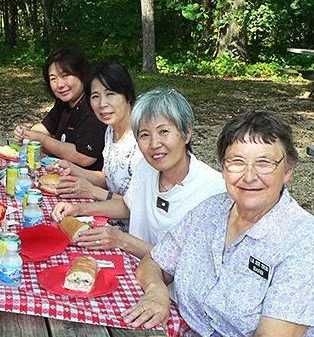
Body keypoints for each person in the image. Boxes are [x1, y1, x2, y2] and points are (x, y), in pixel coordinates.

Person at [104, 110, 314, 337]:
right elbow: (155, 260)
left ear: (289, 170)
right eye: (236, 161)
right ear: (223, 168)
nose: (249, 175)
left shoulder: (303, 239)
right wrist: (156, 291)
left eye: (265, 162)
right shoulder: (210, 211)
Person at [52, 88, 224, 259]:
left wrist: (122, 240)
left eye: (163, 131)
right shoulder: (146, 168)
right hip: (132, 267)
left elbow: (190, 262)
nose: (154, 143)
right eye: (144, 135)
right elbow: (129, 205)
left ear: (186, 133)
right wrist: (79, 209)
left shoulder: (213, 191)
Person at [51, 61, 143, 211]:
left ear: (128, 95)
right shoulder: (111, 131)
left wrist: (92, 191)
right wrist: (72, 168)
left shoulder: (142, 141)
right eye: (95, 96)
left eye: (110, 94)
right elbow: (108, 179)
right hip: (108, 217)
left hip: (132, 229)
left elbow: (140, 207)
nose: (102, 104)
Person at [13, 46, 106, 170]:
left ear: (82, 74)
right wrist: (25, 133)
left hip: (87, 182)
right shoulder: (64, 103)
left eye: (65, 76)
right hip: (59, 174)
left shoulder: (92, 107)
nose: (60, 85)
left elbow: (84, 157)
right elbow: (43, 128)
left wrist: (42, 140)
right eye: (53, 79)